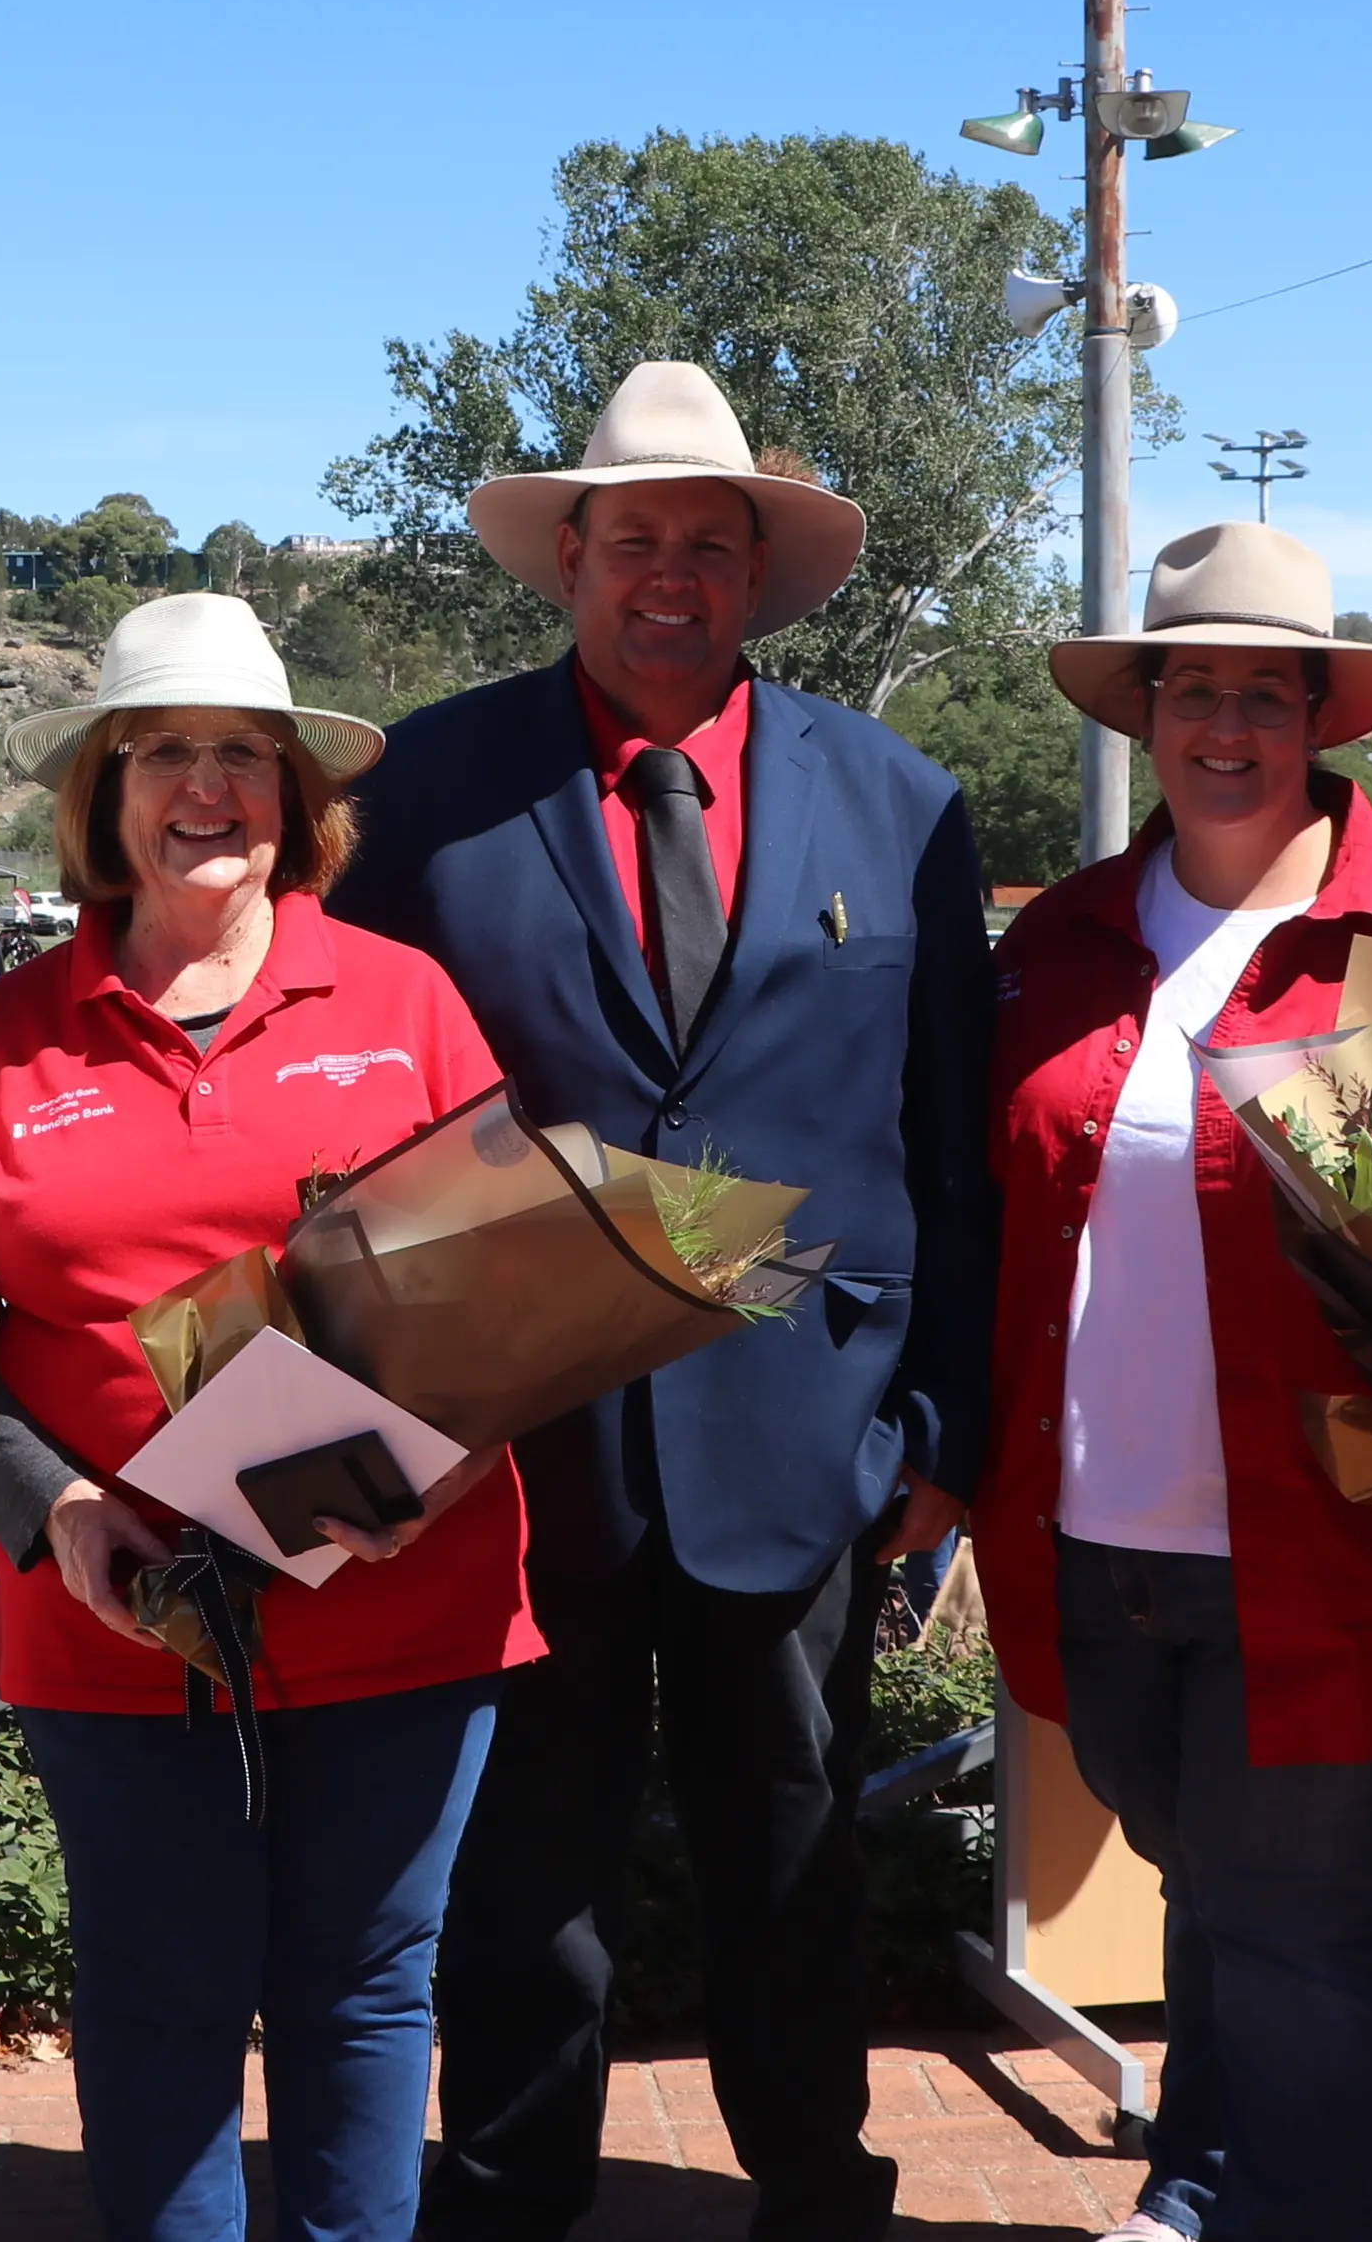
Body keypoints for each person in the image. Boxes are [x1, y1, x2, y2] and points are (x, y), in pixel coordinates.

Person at [328, 360, 994, 2242]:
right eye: (636, 538)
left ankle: (818, 2189)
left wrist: (938, 1425)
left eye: (712, 540)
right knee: (523, 1853)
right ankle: (513, 2185)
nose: (672, 572)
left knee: (793, 1843)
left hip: (804, 1427)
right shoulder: (428, 791)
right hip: (518, 1435)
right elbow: (357, 1096)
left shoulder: (905, 804)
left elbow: (950, 1144)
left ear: (762, 570)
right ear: (572, 559)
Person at [0, 594, 539, 2242]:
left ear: (296, 790)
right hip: (125, 1617)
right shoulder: (7, 1035)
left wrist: (429, 1462)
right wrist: (57, 1508)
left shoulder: (405, 1002)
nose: (207, 787)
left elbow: (508, 1289)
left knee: (368, 1992)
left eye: (243, 754)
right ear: (105, 790)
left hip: (405, 1597)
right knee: (159, 1999)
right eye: (164, 750)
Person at [977, 520, 1372, 2242]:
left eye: (1264, 694)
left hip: (1344, 1536)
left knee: (1300, 1907)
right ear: (1146, 707)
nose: (1226, 724)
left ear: (1319, 715)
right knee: (1205, 1873)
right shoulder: (1059, 938)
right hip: (1097, 1530)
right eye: (1192, 686)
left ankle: (1290, 2208)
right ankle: (1207, 2176)